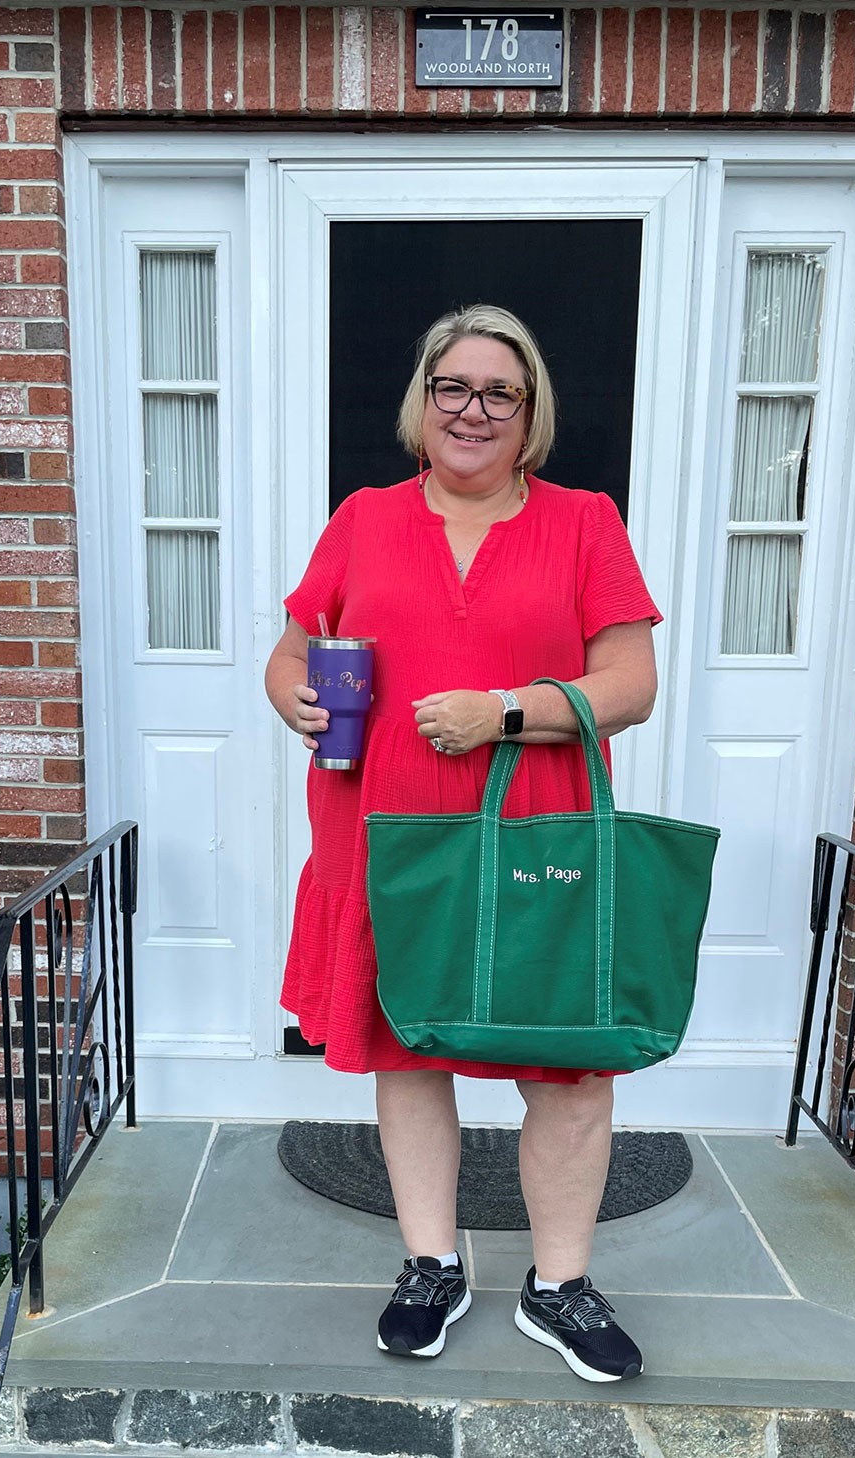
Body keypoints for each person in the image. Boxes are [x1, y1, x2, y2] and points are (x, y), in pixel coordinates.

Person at [263, 304, 661, 1382]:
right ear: (421, 402)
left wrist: (508, 711)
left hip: (538, 840)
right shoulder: (363, 517)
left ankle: (558, 1284)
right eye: (453, 388)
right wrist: (292, 698)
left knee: (571, 1072)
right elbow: (294, 647)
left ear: (527, 413)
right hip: (383, 834)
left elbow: (629, 687)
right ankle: (431, 1263)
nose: (471, 410)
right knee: (403, 1050)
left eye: (498, 392)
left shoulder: (582, 522)